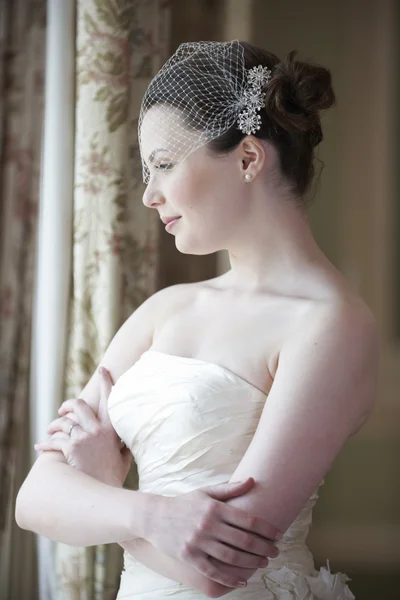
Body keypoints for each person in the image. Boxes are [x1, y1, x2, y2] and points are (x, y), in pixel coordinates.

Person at [16, 40, 378, 598]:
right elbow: (34, 502)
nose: (148, 195)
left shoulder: (331, 326)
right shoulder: (165, 310)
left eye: (162, 165)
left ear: (249, 158)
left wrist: (110, 490)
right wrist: (143, 514)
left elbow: (217, 573)